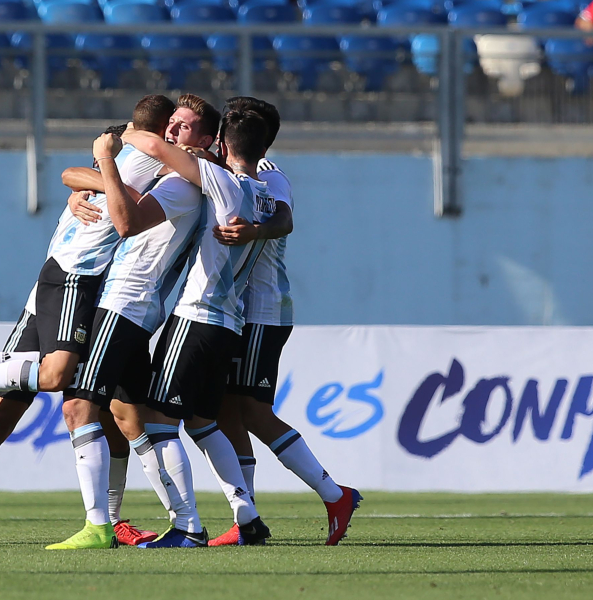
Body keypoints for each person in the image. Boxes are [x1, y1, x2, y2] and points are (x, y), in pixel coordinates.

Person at [0, 94, 177, 549]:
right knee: (16, 408)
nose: (177, 136)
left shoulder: (122, 164)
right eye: (173, 127)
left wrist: (95, 179)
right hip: (70, 283)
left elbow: (73, 173)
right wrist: (104, 177)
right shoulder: (137, 152)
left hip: (81, 291)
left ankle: (110, 518)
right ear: (157, 131)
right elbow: (100, 185)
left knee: (113, 412)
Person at [50, 94, 223, 550]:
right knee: (133, 417)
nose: (170, 132)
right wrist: (81, 187)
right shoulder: (177, 175)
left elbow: (125, 222)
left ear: (204, 141)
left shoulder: (183, 184)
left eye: (182, 127)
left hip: (124, 303)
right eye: (171, 124)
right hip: (133, 305)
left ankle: (99, 526)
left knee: (77, 406)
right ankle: (187, 525)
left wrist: (105, 160)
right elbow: (91, 181)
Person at [201, 97, 362, 547]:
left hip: (262, 310)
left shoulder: (269, 174)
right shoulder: (222, 169)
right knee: (224, 409)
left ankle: (335, 494)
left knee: (250, 410)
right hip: (239, 311)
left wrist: (255, 230)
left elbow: (285, 219)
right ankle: (246, 518)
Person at [115, 108, 278, 545]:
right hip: (230, 323)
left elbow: (153, 147)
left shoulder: (218, 179)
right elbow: (285, 219)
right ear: (263, 151)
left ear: (222, 143)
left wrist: (123, 135)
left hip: (196, 316)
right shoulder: (264, 195)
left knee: (158, 421)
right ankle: (248, 518)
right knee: (204, 423)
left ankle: (187, 529)